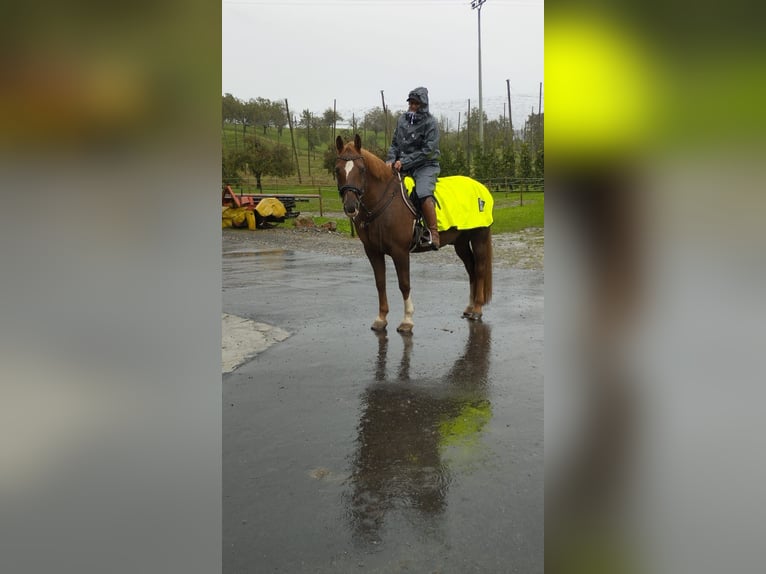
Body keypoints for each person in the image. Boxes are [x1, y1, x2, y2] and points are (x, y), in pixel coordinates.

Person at [386, 87, 442, 250]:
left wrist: (404, 161)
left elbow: (428, 150)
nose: (412, 105)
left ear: (423, 104)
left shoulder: (431, 123)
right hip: (403, 164)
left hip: (426, 164)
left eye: (416, 103)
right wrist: (390, 159)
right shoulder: (402, 119)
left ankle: (433, 233)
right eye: (410, 102)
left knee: (423, 193)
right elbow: (395, 143)